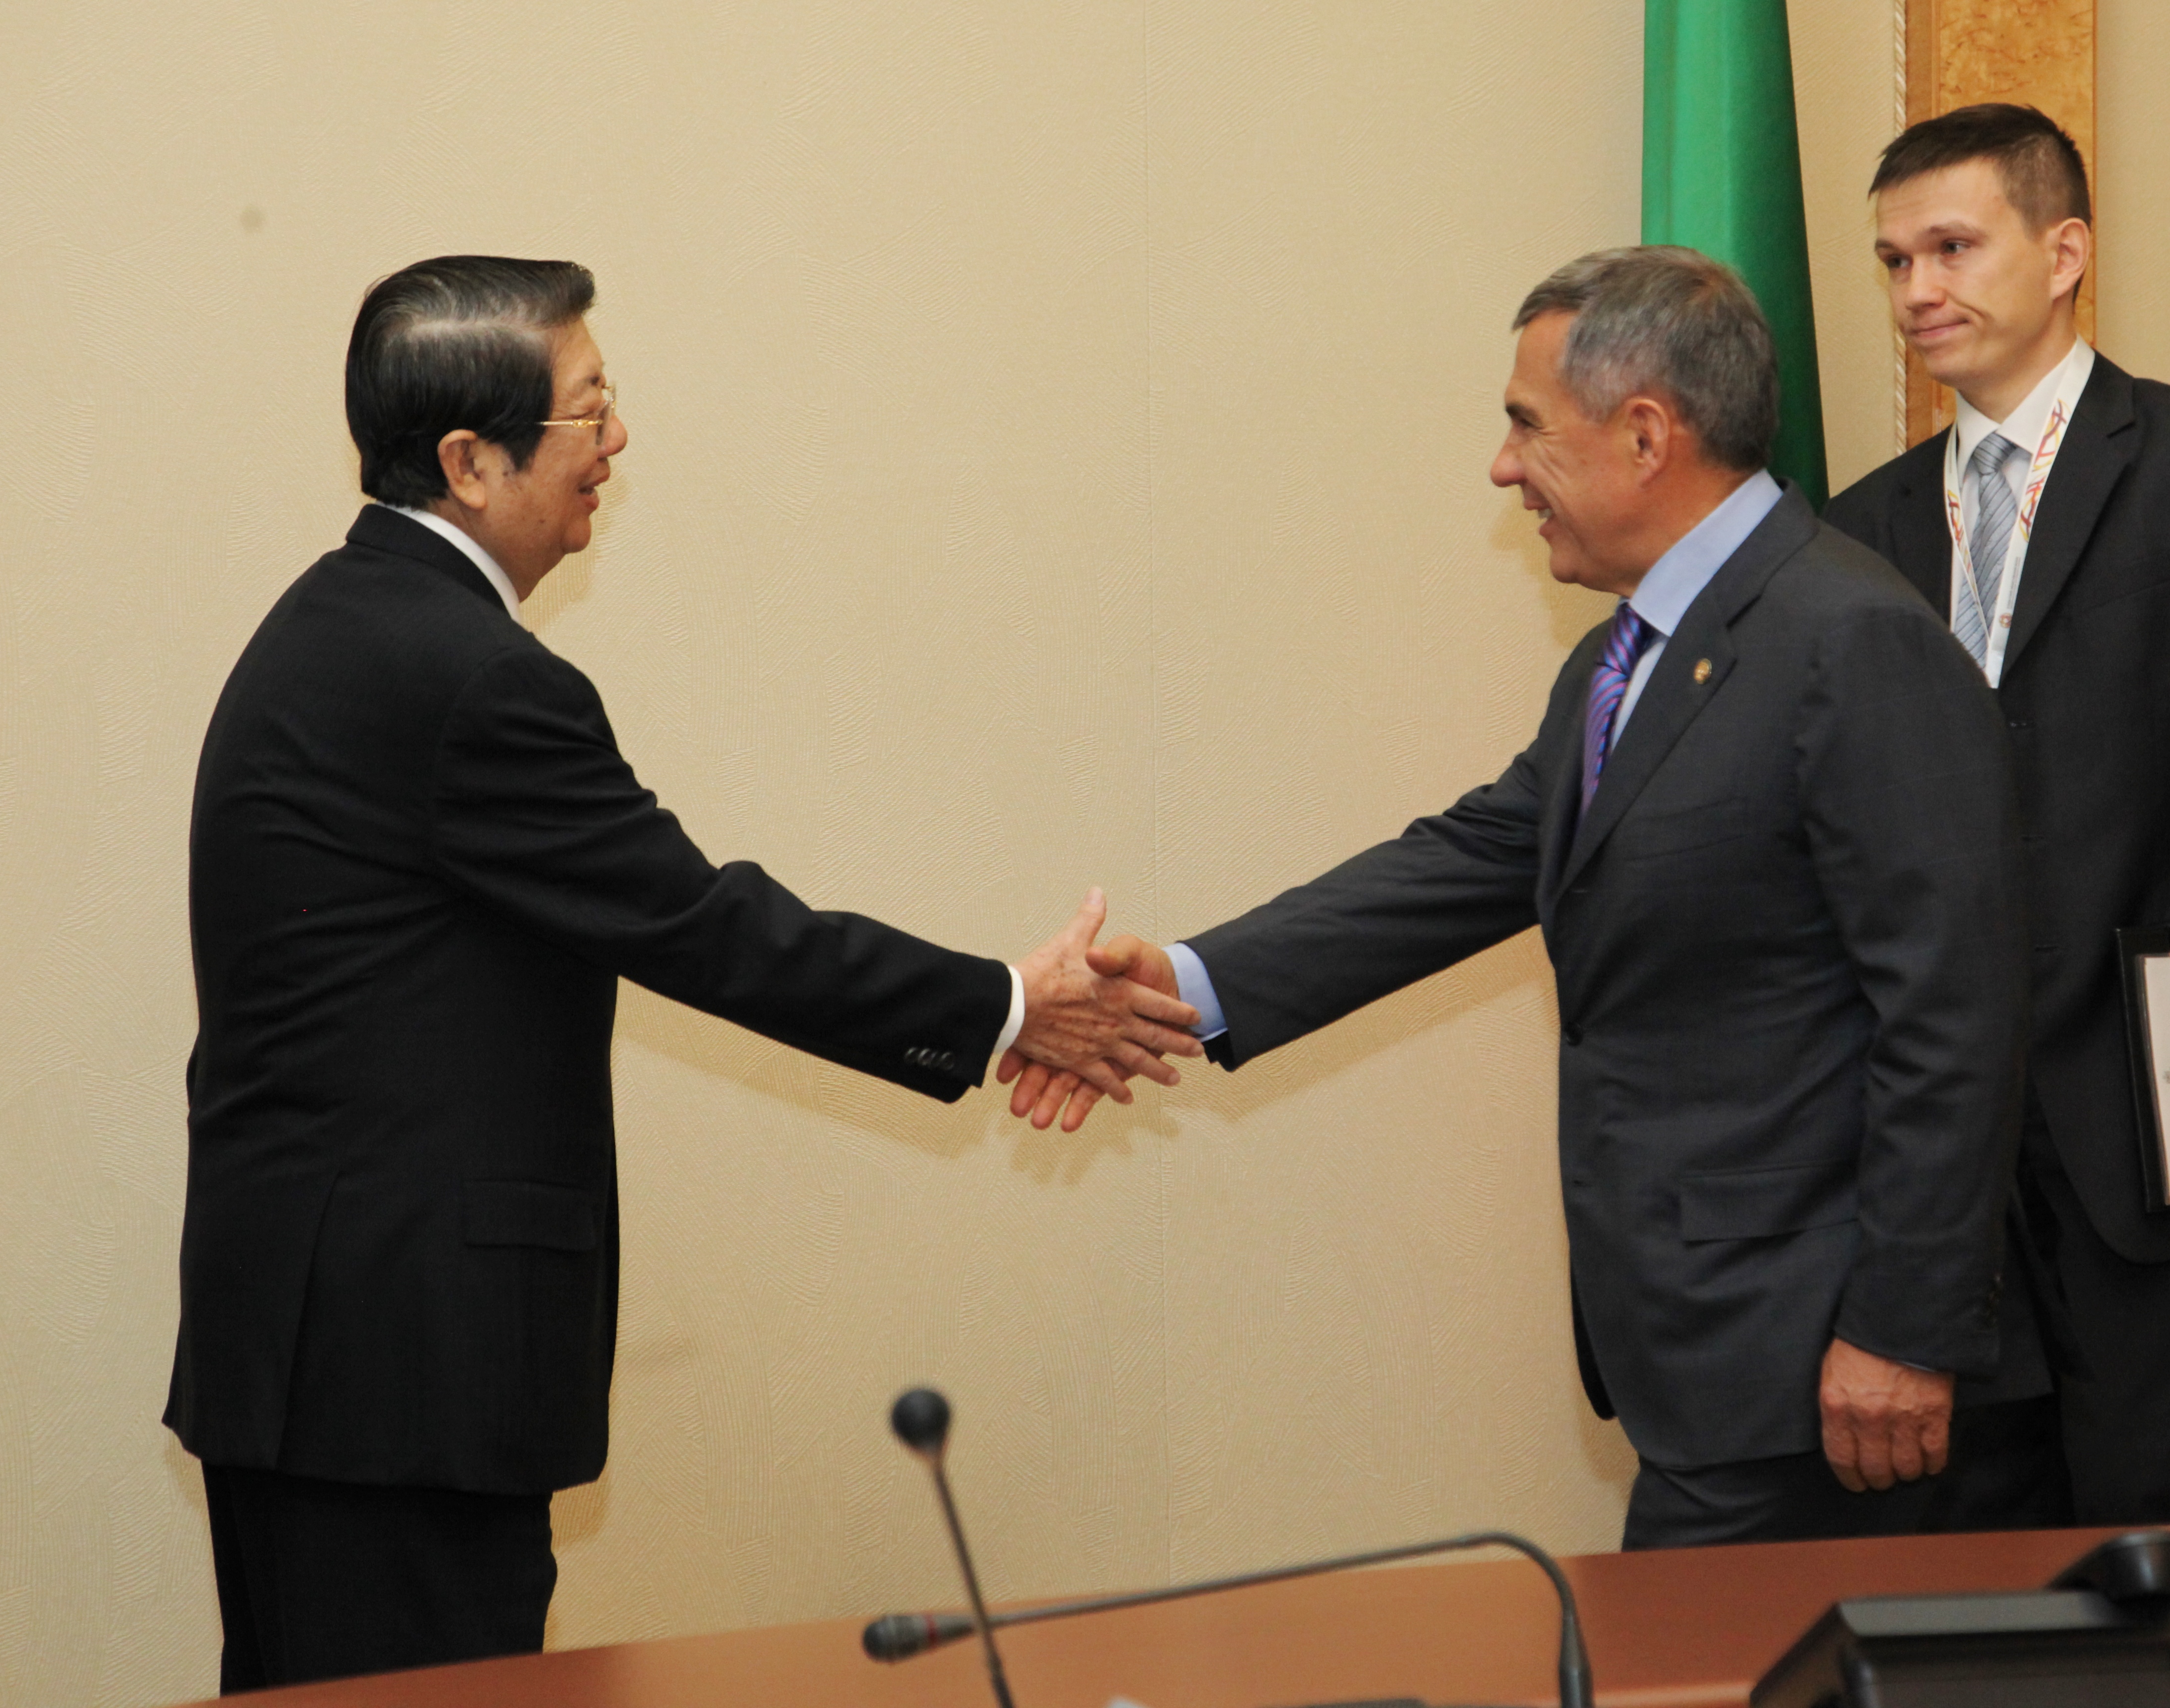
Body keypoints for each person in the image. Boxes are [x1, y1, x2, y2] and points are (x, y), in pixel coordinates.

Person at [167, 254, 1200, 1691]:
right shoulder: (469, 678)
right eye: (587, 411)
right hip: (398, 1379)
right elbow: (705, 928)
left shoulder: (343, 626)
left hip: (329, 1359)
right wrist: (1011, 1007)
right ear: (469, 461)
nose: (618, 440)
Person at [1008, 247, 2033, 1548]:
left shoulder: (1850, 638)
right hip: (1713, 1356)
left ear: (1646, 434)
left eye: (1525, 425)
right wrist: (1189, 986)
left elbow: (1955, 1014)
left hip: (1824, 1367)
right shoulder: (1627, 655)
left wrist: (1904, 1328)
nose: (1502, 469)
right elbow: (1473, 859)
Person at [1820, 105, 2170, 1527]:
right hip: (1946, 1159)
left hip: (2167, 1126)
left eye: (1953, 247)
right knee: (1973, 1553)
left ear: (2064, 251)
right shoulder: (1859, 526)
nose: (1917, 289)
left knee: (2159, 1524)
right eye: (1893, 261)